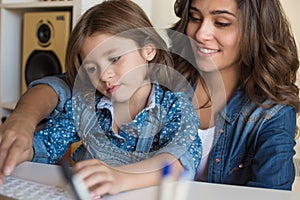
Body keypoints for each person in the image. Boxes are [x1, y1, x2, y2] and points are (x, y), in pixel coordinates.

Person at [0, 0, 299, 191]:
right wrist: (22, 125)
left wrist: (122, 177)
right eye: (195, 18)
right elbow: (65, 86)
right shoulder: (153, 71)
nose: (200, 34)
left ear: (254, 30)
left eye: (221, 22)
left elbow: (267, 195)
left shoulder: (271, 115)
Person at [0, 0, 202, 197]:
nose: (104, 76)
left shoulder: (176, 107)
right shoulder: (87, 105)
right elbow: (48, 145)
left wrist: (119, 178)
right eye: (92, 68)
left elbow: (178, 162)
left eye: (115, 59)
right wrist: (18, 151)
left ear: (148, 50)